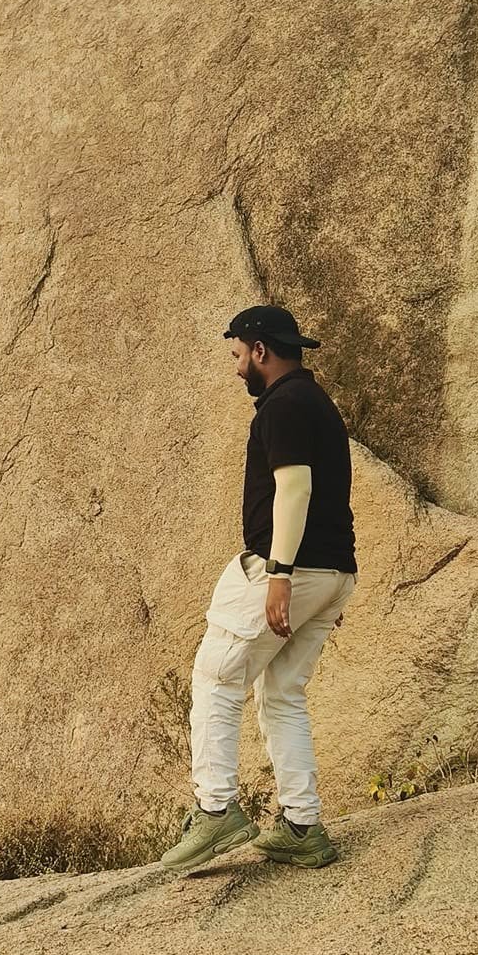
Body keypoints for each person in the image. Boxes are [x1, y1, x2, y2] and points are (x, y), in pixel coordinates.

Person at [159, 304, 358, 876]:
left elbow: (293, 491)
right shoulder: (316, 402)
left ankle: (216, 808)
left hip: (292, 569)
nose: (236, 367)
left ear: (260, 351)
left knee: (216, 676)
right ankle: (302, 825)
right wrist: (316, 586)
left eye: (237, 355)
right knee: (282, 694)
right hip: (334, 571)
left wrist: (280, 575)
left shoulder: (284, 405)